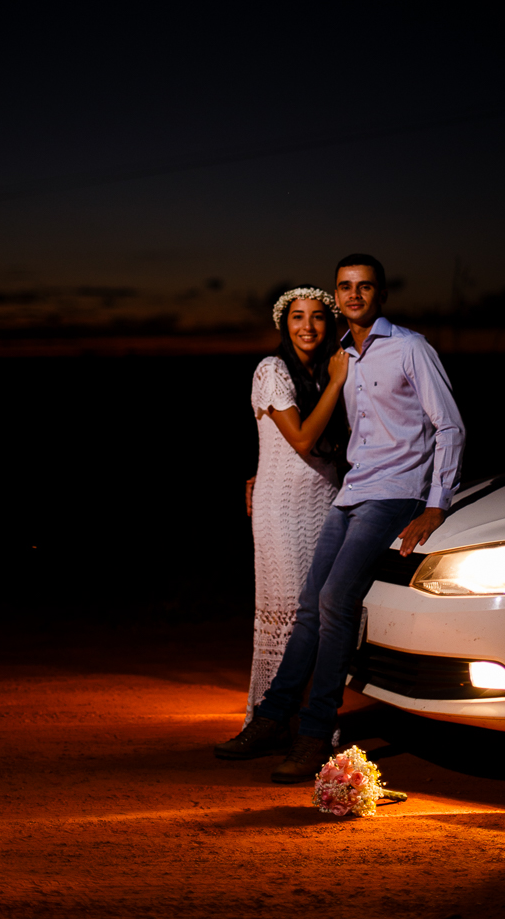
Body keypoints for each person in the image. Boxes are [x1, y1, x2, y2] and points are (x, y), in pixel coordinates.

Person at [215, 255, 465, 781]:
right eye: (345, 287)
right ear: (338, 295)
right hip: (350, 490)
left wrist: (437, 503)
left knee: (334, 598)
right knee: (310, 605)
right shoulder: (343, 357)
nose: (354, 295)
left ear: (381, 294)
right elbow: (325, 435)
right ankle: (270, 720)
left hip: (394, 494)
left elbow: (449, 427)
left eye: (364, 286)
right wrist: (265, 471)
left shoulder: (410, 347)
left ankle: (314, 732)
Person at [216, 286, 349, 755]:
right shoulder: (272, 370)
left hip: (328, 502)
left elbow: (340, 447)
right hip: (279, 508)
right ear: (283, 324)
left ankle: (309, 722)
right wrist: (337, 382)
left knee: (322, 613)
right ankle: (267, 719)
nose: (307, 327)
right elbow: (299, 442)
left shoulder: (326, 371)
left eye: (316, 317)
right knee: (290, 614)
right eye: (297, 317)